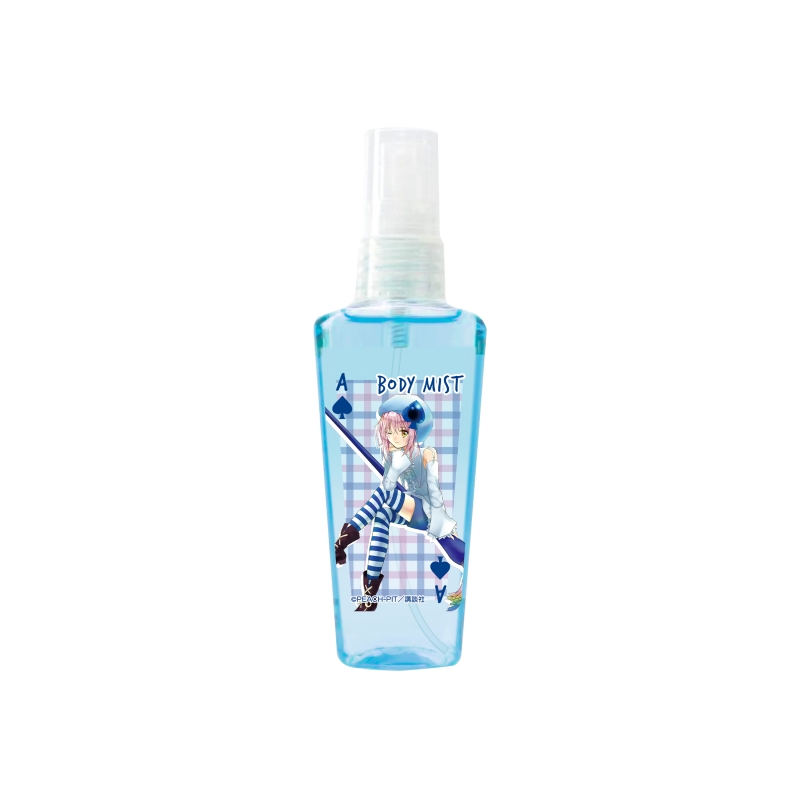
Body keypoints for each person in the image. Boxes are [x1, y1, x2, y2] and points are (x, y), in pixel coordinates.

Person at [334, 394, 465, 611]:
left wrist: (441, 522)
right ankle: (369, 595)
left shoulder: (426, 453)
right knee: (382, 515)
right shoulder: (394, 456)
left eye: (402, 431)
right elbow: (388, 484)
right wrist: (394, 468)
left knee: (386, 495)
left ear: (414, 431)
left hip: (427, 511)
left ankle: (342, 542)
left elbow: (434, 490)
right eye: (389, 431)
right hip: (410, 510)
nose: (395, 437)